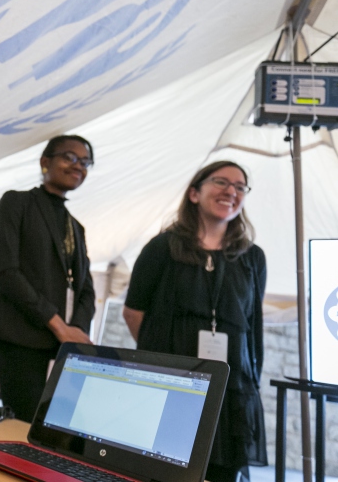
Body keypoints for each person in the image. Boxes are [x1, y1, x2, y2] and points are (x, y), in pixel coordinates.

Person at [123, 161, 266, 482]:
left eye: (240, 187)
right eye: (221, 182)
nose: (231, 191)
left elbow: (252, 325)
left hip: (230, 390)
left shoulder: (253, 257)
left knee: (223, 473)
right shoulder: (161, 247)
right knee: (164, 470)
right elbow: (133, 313)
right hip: (170, 382)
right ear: (193, 193)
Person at [0, 134, 97, 422]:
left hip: (64, 347)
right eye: (69, 157)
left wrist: (76, 332)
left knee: (59, 429)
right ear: (45, 162)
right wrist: (58, 325)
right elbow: (7, 272)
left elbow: (86, 290)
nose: (78, 166)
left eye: (85, 162)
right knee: (23, 425)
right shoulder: (16, 203)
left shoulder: (76, 227)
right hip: (22, 339)